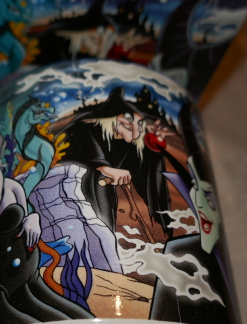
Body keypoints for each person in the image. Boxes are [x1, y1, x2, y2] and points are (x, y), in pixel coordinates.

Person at [56, 87, 171, 236]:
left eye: (139, 125)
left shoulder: (126, 143)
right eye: (127, 123)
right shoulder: (82, 128)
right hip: (68, 189)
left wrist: (154, 146)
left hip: (103, 193)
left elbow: (144, 168)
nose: (135, 130)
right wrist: (103, 167)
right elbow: (80, 154)